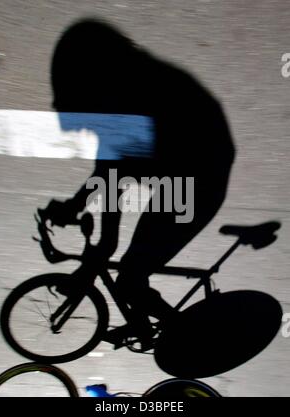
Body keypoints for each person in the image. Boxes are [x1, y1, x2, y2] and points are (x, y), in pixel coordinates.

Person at [44, 19, 236, 348]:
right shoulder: (124, 88)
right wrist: (79, 211)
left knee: (131, 279)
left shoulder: (130, 99)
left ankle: (187, 335)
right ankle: (145, 327)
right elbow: (110, 179)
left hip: (194, 183)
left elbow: (111, 179)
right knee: (127, 265)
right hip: (184, 170)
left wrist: (78, 213)